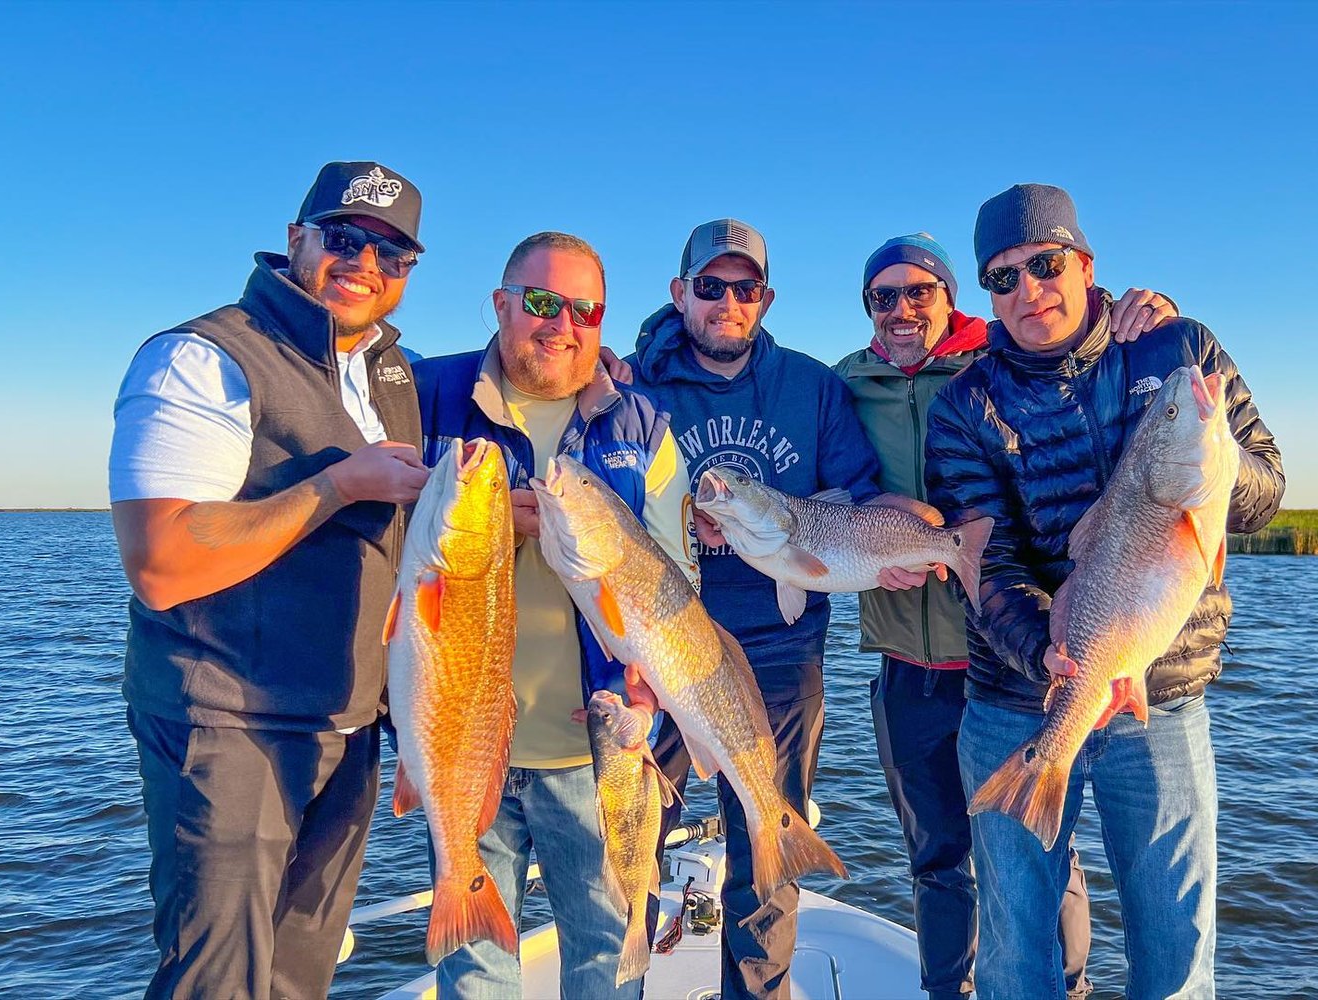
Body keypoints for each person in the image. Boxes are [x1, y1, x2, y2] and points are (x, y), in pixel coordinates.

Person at [924, 183, 1285, 1000]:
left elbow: (1266, 487)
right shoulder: (963, 407)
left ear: (1085, 265)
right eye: (1001, 278)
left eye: (1044, 265)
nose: (1027, 291)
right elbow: (988, 557)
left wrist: (1212, 477)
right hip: (1016, 700)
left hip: (1161, 698)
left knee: (1173, 939)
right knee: (1016, 948)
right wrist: (1044, 653)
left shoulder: (1176, 350)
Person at [109, 161, 430, 999]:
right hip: (230, 725)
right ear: (296, 241)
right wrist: (339, 484)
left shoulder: (391, 373)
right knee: (216, 982)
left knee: (298, 975)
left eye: (392, 254)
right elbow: (162, 563)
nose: (365, 262)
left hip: (346, 728)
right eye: (344, 237)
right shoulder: (203, 358)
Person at [834, 234, 1177, 1000]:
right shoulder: (844, 384)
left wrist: (1145, 313)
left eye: (918, 291)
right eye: (881, 297)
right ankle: (946, 989)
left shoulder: (999, 362)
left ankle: (1072, 985)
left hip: (1006, 665)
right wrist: (646, 349)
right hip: (907, 664)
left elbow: (1083, 341)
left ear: (952, 296)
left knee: (1038, 847)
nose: (900, 310)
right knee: (935, 858)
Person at [410, 231, 698, 999]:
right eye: (540, 302)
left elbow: (673, 577)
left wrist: (655, 685)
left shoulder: (641, 425)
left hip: (591, 751)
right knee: (473, 974)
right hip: (460, 748)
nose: (559, 323)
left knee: (607, 963)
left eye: (582, 307)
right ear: (501, 304)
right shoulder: (421, 393)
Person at [628, 219, 881, 999]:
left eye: (746, 289)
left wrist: (892, 553)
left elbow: (857, 500)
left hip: (781, 645)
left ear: (764, 299)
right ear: (681, 294)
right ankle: (618, 982)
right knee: (632, 836)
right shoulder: (636, 384)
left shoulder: (812, 386)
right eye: (710, 288)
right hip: (657, 641)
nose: (727, 304)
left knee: (765, 840)